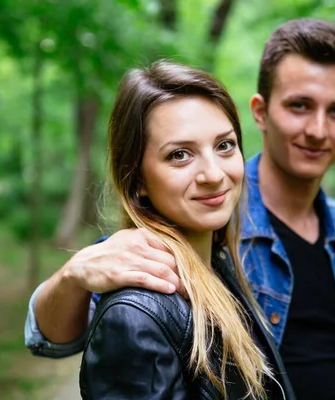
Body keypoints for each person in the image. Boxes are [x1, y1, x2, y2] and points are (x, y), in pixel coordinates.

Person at [25, 18, 335, 400]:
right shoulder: (206, 216)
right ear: (261, 112)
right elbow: (64, 328)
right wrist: (74, 273)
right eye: (299, 105)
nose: (318, 130)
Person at [76, 60, 294, 399]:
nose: (213, 174)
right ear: (136, 181)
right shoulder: (134, 318)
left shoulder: (219, 268)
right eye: (180, 154)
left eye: (224, 145)